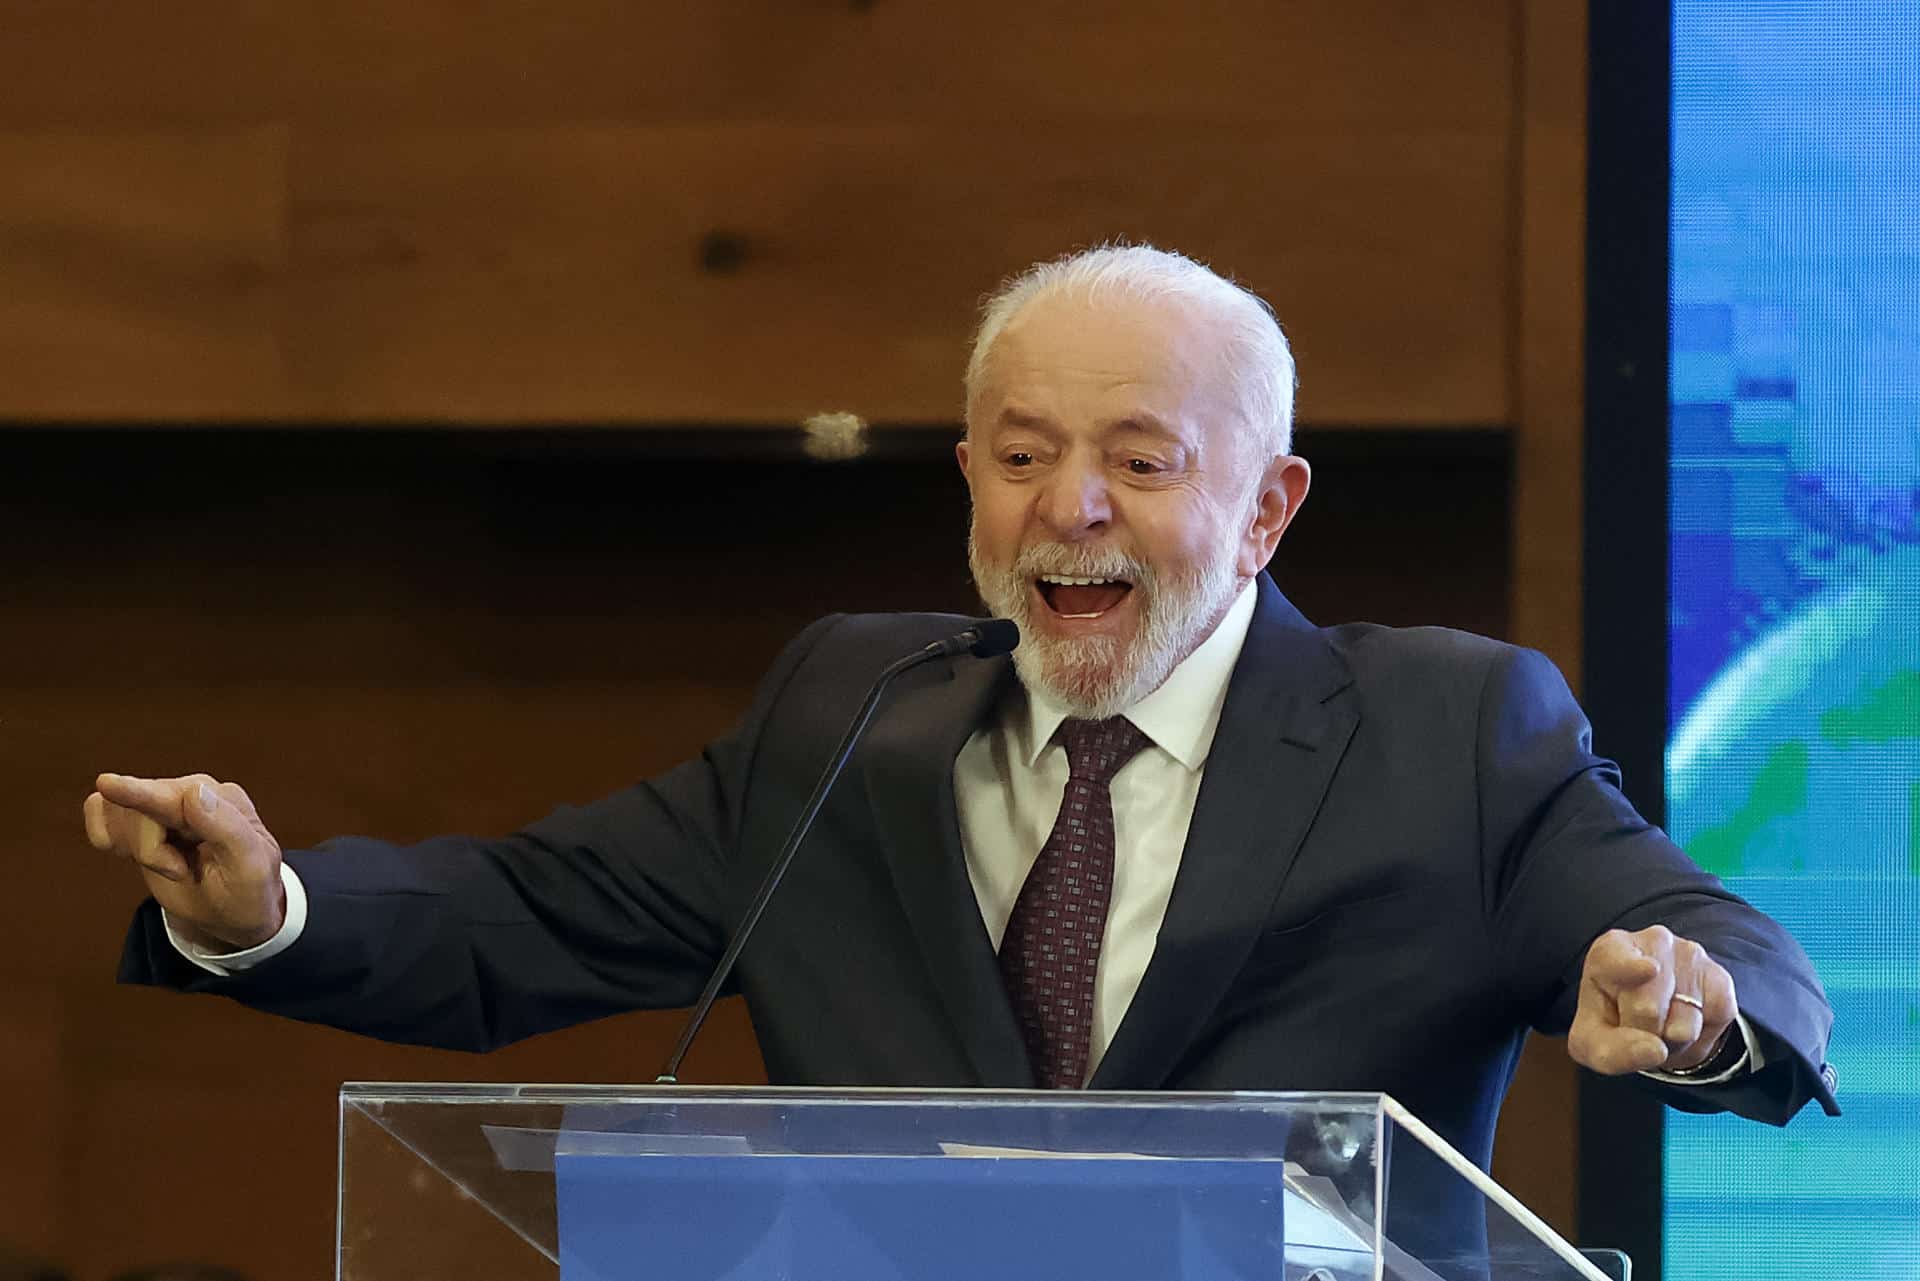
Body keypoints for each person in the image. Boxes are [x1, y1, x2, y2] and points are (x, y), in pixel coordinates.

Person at [86, 245, 1836, 1187]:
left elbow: (1719, 938)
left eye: (1140, 463)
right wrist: (266, 909)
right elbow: (535, 916)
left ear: (1267, 508)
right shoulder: (857, 705)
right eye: (1021, 457)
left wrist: (1695, 1009)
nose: (1071, 507)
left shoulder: (1448, 728)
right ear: (968, 484)